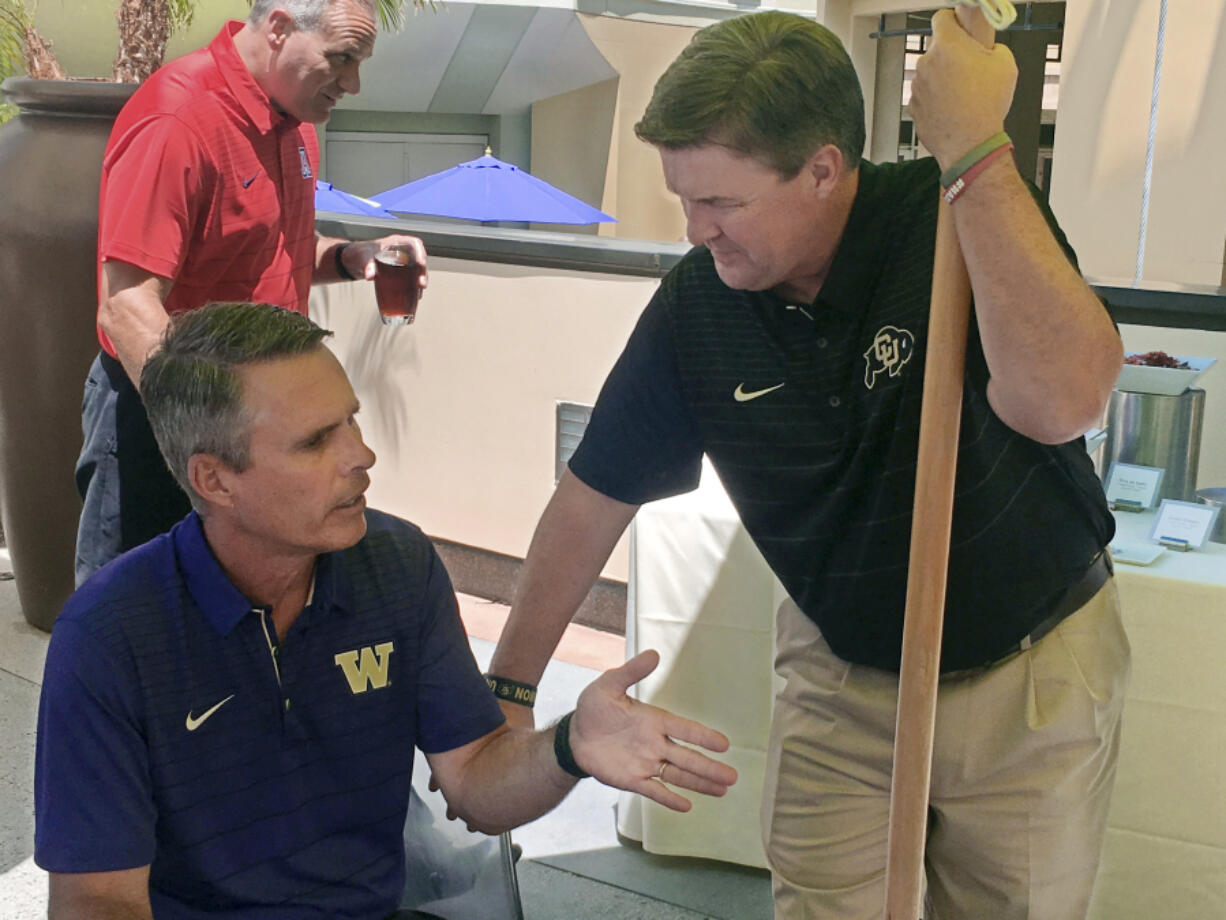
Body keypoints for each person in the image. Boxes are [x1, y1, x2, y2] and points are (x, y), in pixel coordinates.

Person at [486, 11, 1128, 920]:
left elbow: (1064, 403)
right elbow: (594, 498)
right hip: (843, 673)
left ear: (823, 169)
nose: (696, 229)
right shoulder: (699, 306)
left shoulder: (945, 225)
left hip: (1028, 671)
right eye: (685, 198)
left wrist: (976, 150)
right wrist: (509, 692)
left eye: (723, 202)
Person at [35, 302, 738, 920]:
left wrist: (566, 748)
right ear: (213, 479)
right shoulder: (111, 635)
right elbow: (97, 902)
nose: (362, 455)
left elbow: (475, 782)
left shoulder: (396, 564)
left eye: (351, 421)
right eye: (316, 441)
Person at [75, 0, 427, 587]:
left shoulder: (295, 123)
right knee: (131, 621)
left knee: (240, 619)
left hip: (260, 419)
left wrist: (349, 257)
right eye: (342, 59)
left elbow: (270, 246)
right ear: (280, 27)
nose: (353, 83)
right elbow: (126, 303)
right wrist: (212, 426)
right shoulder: (179, 117)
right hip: (166, 411)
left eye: (359, 63)